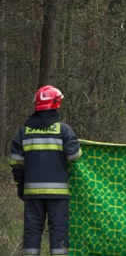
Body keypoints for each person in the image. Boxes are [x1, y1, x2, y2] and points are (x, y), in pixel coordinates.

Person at [9, 85, 82, 256]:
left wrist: (21, 184)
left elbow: (15, 162)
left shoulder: (24, 130)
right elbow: (74, 156)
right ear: (56, 104)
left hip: (32, 193)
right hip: (58, 195)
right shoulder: (63, 130)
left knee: (32, 231)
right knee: (58, 231)